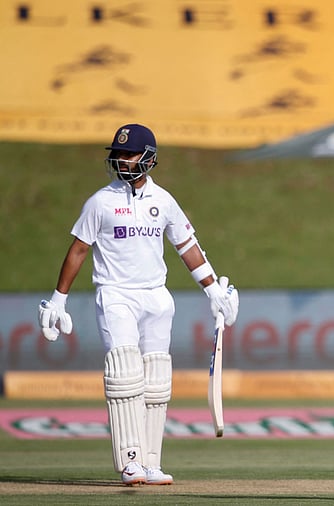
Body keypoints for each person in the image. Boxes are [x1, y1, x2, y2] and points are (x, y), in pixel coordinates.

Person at [37, 123, 240, 485]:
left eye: (128, 154)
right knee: (125, 372)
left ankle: (151, 462)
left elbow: (187, 246)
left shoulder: (163, 201)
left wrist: (213, 290)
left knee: (157, 378)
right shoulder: (100, 202)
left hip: (156, 295)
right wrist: (58, 299)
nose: (120, 160)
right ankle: (129, 462)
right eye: (117, 154)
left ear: (149, 158)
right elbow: (79, 249)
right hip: (116, 294)